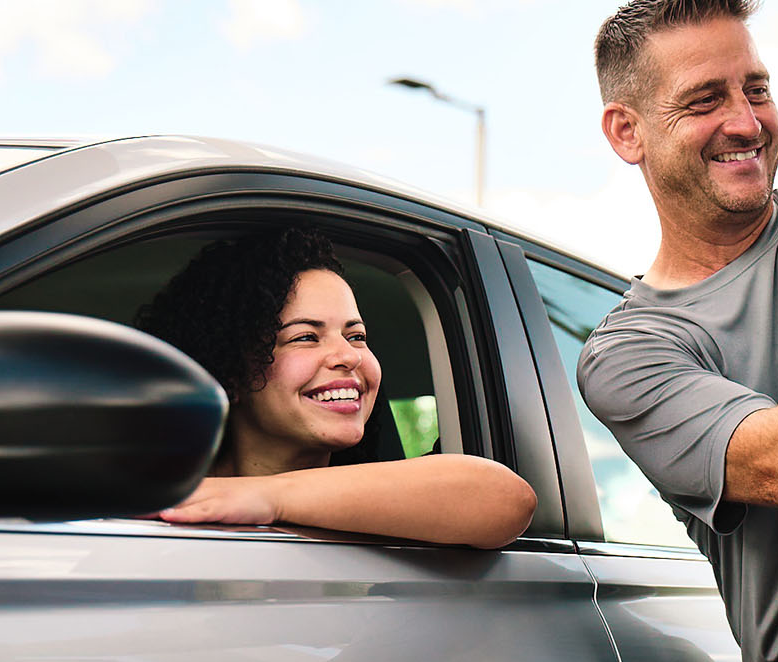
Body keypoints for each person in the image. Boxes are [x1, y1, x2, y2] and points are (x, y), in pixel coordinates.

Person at [576, 0, 778, 662]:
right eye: (704, 100)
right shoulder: (632, 352)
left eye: (755, 88)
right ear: (627, 132)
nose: (745, 121)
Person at [136, 227, 536, 549]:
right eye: (306, 337)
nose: (349, 355)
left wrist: (264, 499)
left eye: (357, 335)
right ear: (228, 370)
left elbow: (505, 497)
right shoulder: (157, 505)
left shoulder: (395, 505)